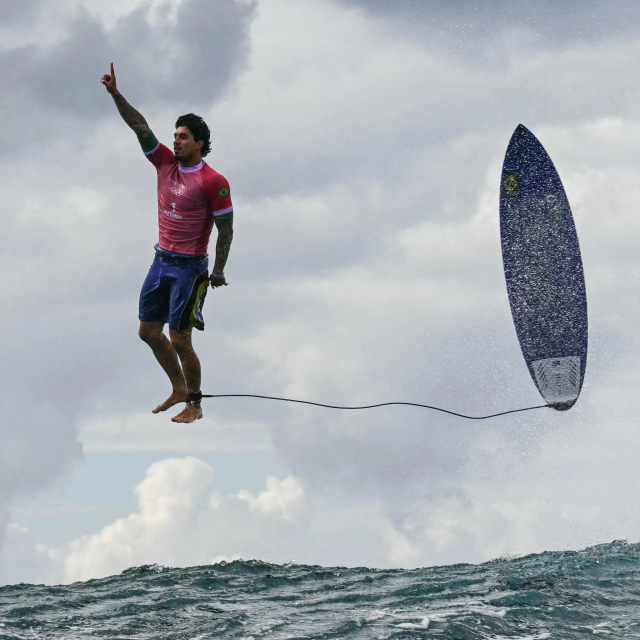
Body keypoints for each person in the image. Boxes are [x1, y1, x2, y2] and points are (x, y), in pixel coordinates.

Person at [100, 63, 234, 424]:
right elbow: (139, 126)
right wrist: (115, 94)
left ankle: (195, 402)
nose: (176, 140)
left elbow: (226, 229)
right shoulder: (164, 163)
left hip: (190, 268)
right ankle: (177, 386)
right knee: (147, 331)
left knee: (180, 339)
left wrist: (218, 270)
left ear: (200, 143)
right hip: (161, 260)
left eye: (183, 136)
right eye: (175, 135)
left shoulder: (213, 181)